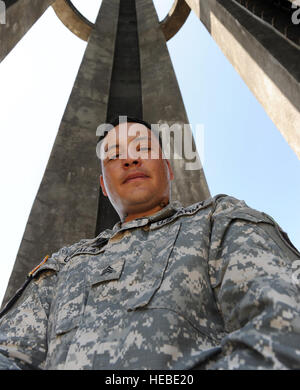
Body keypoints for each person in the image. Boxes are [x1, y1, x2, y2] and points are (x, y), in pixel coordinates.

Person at [0, 116, 299, 370]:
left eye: (142, 147)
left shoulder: (217, 222)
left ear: (168, 168)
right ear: (104, 186)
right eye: (114, 156)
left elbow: (285, 328)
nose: (130, 159)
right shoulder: (65, 265)